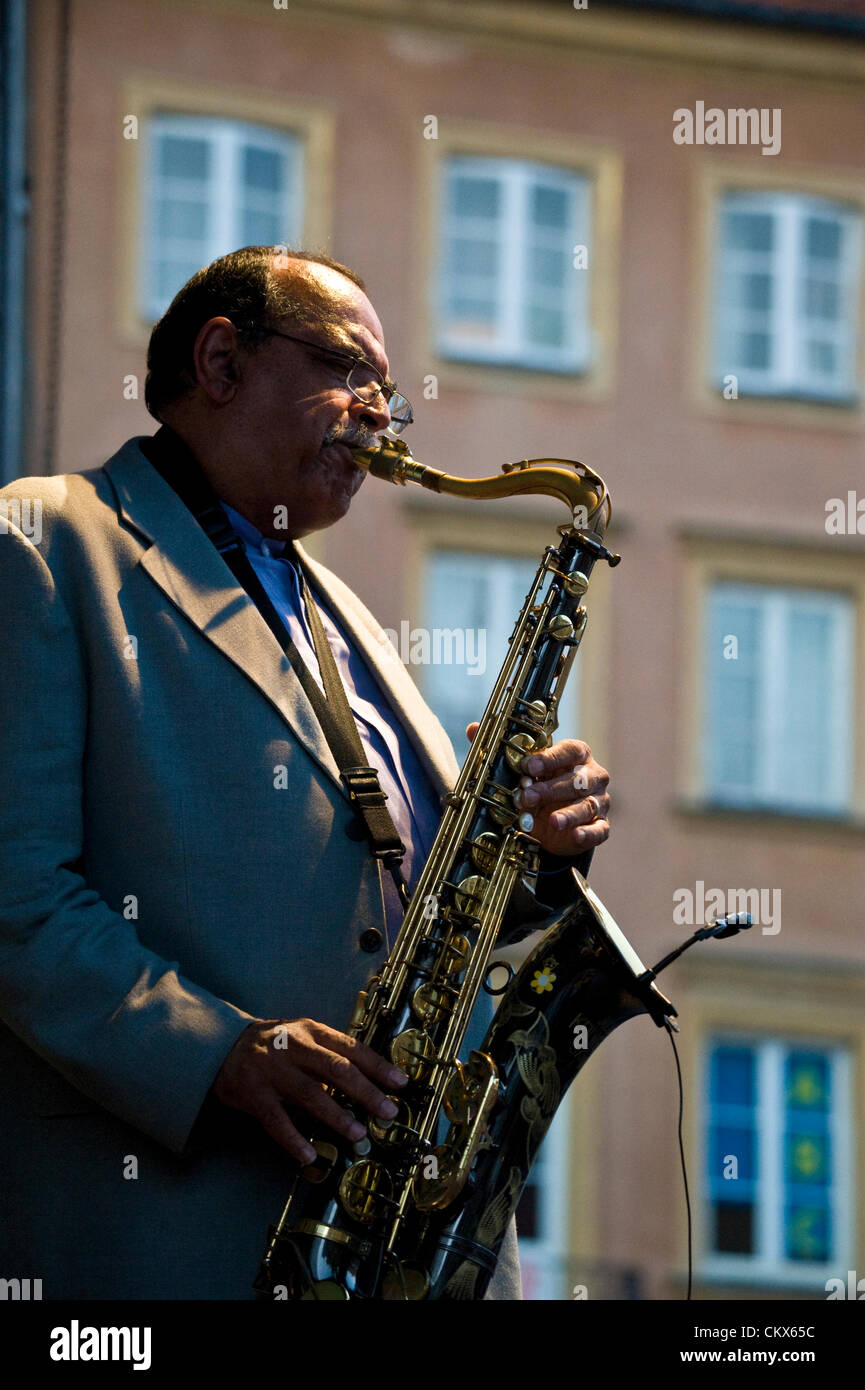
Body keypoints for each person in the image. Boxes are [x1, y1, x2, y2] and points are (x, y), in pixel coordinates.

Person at [0, 246, 611, 1300]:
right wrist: (221, 1054)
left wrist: (540, 852)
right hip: (170, 1250)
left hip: (391, 1254)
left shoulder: (345, 617)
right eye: (350, 370)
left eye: (392, 393)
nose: (380, 413)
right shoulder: (44, 541)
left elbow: (447, 930)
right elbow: (16, 896)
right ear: (223, 360)